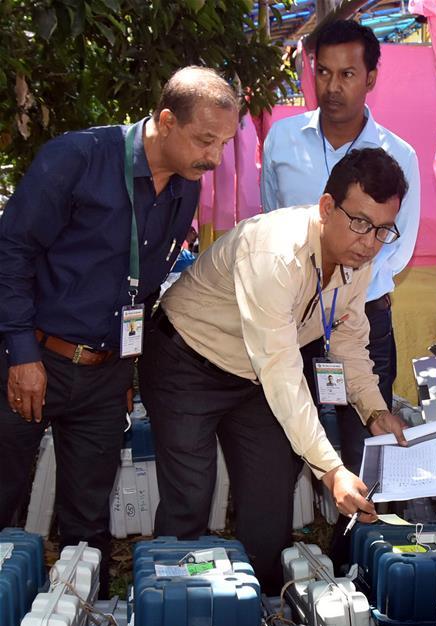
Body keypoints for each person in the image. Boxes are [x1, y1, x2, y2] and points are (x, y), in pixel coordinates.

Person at [0, 66, 239, 597]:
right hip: (33, 357)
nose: (214, 157)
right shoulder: (78, 158)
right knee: (3, 498)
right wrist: (20, 354)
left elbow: (144, 288)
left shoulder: (184, 190)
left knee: (87, 524)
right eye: (205, 140)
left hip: (104, 376)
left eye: (224, 143)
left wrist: (126, 367)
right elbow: (12, 251)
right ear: (166, 120)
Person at [139, 148, 409, 592]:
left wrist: (373, 408)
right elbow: (283, 372)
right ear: (326, 207)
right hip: (185, 362)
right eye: (360, 223)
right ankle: (170, 609)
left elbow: (348, 338)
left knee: (269, 498)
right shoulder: (274, 253)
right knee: (190, 496)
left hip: (253, 379)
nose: (369, 241)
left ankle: (264, 609)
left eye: (383, 230)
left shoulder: (359, 258)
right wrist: (330, 469)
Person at [261, 19, 421, 475]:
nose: (333, 87)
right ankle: (289, 539)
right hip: (293, 316)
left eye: (347, 74)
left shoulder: (399, 155)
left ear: (370, 78)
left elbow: (398, 243)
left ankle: (356, 544)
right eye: (324, 73)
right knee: (283, 439)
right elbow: (272, 221)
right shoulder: (282, 141)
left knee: (365, 445)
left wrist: (346, 285)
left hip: (362, 318)